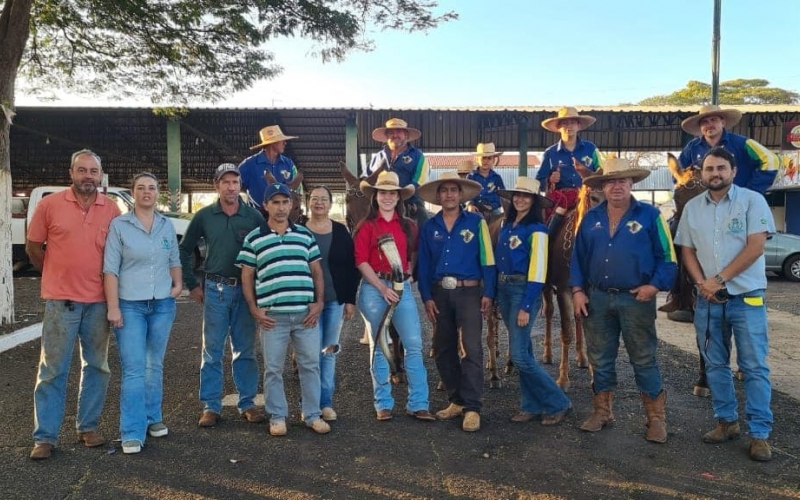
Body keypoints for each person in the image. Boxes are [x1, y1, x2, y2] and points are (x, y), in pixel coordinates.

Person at [674, 147, 776, 462]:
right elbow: (687, 250)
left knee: (753, 366)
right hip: (708, 300)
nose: (714, 174)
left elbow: (756, 246)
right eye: (709, 169)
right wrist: (700, 283)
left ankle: (759, 433)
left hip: (746, 297)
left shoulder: (752, 201)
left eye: (720, 168)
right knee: (715, 364)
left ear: (732, 171)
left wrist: (718, 279)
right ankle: (726, 421)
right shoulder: (692, 207)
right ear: (702, 174)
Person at [569, 158, 677, 443]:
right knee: (600, 358)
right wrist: (578, 291)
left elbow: (668, 258)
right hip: (598, 298)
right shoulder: (590, 218)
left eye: (622, 181)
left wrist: (654, 286)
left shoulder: (651, 216)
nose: (616, 186)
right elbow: (577, 259)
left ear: (632, 184)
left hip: (636, 299)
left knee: (643, 357)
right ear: (602, 186)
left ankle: (656, 419)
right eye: (610, 181)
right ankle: (602, 412)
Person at [26, 149, 121, 460]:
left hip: (98, 303)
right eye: (82, 170)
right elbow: (33, 248)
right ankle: (45, 437)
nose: (88, 177)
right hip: (60, 302)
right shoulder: (49, 205)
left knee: (97, 366)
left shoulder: (112, 209)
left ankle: (88, 427)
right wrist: (55, 275)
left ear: (100, 176)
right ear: (71, 173)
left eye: (93, 171)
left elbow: (119, 254)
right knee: (53, 370)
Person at [237, 182, 330, 436]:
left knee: (310, 365)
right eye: (275, 202)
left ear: (291, 204)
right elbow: (247, 276)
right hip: (272, 318)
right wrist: (254, 309)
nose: (280, 207)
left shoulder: (304, 234)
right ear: (265, 205)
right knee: (273, 368)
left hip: (305, 315)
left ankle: (312, 414)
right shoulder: (254, 238)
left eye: (285, 202)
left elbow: (316, 271)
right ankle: (277, 416)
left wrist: (319, 302)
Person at [179, 163, 266, 428]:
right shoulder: (205, 216)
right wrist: (192, 284)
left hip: (246, 290)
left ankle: (248, 402)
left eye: (235, 182)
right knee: (212, 349)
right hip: (216, 289)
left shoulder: (253, 217)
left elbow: (267, 250)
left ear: (241, 186)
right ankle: (211, 405)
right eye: (225, 182)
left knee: (246, 349)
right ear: (217, 185)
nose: (231, 187)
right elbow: (184, 249)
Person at [103, 173, 182, 454]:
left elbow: (174, 258)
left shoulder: (165, 224)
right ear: (133, 193)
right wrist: (113, 307)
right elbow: (110, 269)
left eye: (151, 188)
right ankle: (132, 431)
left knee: (154, 365)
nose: (146, 192)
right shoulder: (119, 226)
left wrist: (178, 285)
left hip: (162, 305)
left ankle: (153, 417)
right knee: (135, 368)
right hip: (130, 305)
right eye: (141, 188)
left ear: (157, 193)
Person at [417, 171, 496, 432]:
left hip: (469, 293)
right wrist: (427, 297)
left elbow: (487, 259)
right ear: (438, 196)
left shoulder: (476, 223)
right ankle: (456, 400)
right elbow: (425, 264)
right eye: (444, 190)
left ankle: (473, 407)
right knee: (442, 348)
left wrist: (488, 293)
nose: (449, 194)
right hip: (440, 293)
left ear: (461, 195)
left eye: (454, 190)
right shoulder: (429, 226)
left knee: (471, 349)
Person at [353, 171, 435, 422]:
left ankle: (418, 403)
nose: (387, 197)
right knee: (379, 346)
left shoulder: (409, 226)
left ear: (399, 197)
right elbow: (361, 261)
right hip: (374, 288)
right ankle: (383, 403)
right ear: (375, 196)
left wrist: (408, 274)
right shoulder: (366, 226)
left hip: (401, 288)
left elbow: (414, 254)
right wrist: (381, 287)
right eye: (383, 192)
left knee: (413, 344)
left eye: (392, 193)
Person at [494, 177, 573, 426]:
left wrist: (527, 305)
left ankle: (558, 401)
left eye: (525, 196)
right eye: (516, 195)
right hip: (504, 289)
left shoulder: (538, 230)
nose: (520, 199)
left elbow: (538, 271)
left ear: (534, 201)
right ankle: (530, 405)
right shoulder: (507, 226)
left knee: (518, 355)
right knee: (524, 350)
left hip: (522, 291)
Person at [301, 185, 360, 422]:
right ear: (308, 202)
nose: (319, 203)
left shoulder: (340, 231)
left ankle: (325, 402)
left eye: (323, 199)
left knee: (328, 352)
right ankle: (308, 404)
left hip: (334, 301)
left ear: (330, 203)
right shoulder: (299, 231)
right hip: (307, 302)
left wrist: (349, 300)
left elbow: (350, 267)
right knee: (309, 355)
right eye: (314, 199)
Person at [678, 105, 780, 195]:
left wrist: (752, 190)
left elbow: (772, 160)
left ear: (723, 122)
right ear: (700, 127)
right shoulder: (692, 147)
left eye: (714, 120)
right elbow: (678, 173)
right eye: (704, 122)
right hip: (705, 205)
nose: (709, 124)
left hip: (739, 203)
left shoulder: (743, 143)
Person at [364, 118, 430, 229]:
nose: (395, 135)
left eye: (399, 131)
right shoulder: (377, 157)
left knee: (424, 226)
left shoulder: (418, 156)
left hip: (410, 202)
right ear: (386, 136)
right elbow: (366, 178)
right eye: (391, 132)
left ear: (406, 135)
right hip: (381, 202)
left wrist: (402, 194)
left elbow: (420, 180)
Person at [536, 106, 603, 215]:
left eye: (572, 122)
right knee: (551, 226)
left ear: (578, 125)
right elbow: (538, 182)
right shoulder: (550, 153)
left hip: (588, 199)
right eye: (565, 123)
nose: (569, 126)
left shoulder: (591, 148)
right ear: (559, 127)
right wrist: (549, 180)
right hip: (560, 201)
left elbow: (602, 173)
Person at [238, 125, 301, 207]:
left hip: (282, 214)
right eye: (282, 141)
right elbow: (234, 187)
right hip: (256, 216)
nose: (285, 143)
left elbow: (297, 190)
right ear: (273, 143)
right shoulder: (249, 165)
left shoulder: (289, 163)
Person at [465, 143, 506, 216]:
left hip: (493, 209)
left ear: (493, 160)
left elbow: (502, 195)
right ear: (477, 159)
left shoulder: (497, 178)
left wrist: (493, 205)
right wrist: (470, 205)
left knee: (501, 218)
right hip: (475, 209)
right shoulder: (471, 177)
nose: (486, 161)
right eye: (483, 158)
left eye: (489, 158)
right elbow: (466, 193)